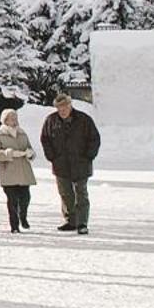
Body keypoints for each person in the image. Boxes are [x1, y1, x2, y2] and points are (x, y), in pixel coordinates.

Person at [40, 93, 101, 234]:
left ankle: (82, 222)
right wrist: (52, 157)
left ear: (70, 105)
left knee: (81, 194)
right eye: (59, 108)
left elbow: (94, 139)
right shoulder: (51, 120)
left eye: (65, 107)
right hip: (61, 164)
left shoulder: (84, 119)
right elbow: (45, 139)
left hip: (81, 163)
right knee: (65, 194)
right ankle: (70, 220)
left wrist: (88, 156)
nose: (62, 110)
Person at [0, 108, 36, 233]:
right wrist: (8, 153)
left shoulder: (22, 133)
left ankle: (23, 217)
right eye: (11, 118)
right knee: (12, 199)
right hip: (8, 171)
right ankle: (14, 225)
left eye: (15, 118)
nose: (14, 120)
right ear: (5, 120)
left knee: (26, 197)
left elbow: (29, 148)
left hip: (23, 170)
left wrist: (30, 153)